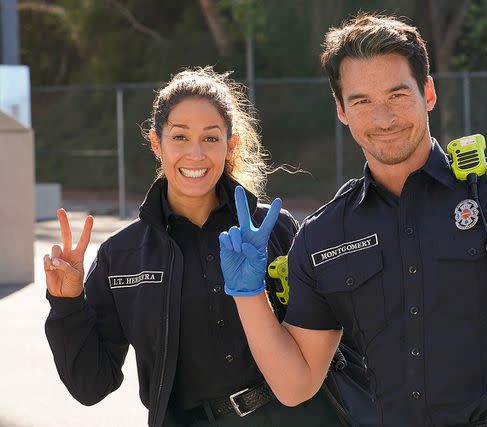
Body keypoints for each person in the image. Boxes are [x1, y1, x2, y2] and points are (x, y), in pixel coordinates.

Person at [219, 14, 487, 427]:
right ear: (341, 110)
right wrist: (247, 294)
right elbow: (295, 385)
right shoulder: (323, 236)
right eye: (362, 101)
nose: (383, 118)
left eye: (397, 94)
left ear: (428, 92)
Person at [43, 67, 342, 427]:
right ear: (157, 143)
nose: (196, 154)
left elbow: (320, 344)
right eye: (180, 137)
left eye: (211, 138)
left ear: (230, 144)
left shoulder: (274, 229)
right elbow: (90, 387)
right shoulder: (121, 256)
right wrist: (67, 304)